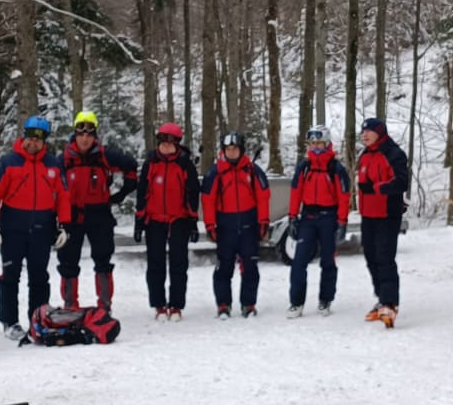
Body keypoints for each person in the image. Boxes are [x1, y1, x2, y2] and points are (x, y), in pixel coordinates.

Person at [0, 115, 69, 342]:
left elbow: (63, 195)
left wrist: (64, 225)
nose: (33, 143)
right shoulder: (10, 162)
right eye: (30, 138)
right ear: (24, 137)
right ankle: (9, 321)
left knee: (39, 276)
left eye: (39, 140)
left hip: (42, 226)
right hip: (13, 225)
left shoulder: (52, 164)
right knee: (10, 275)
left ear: (45, 142)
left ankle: (38, 318)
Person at [57, 110, 139, 313]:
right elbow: (49, 185)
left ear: (95, 135)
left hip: (99, 214)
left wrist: (121, 193)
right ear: (75, 134)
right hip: (72, 216)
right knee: (68, 262)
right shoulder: (64, 158)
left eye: (89, 134)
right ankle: (70, 305)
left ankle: (104, 306)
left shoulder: (104, 155)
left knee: (103, 260)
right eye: (81, 133)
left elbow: (131, 166)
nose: (85, 138)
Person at [135, 122, 200, 321]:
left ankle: (176, 305)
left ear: (177, 144)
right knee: (155, 264)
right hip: (154, 221)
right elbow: (142, 193)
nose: (165, 147)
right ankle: (159, 305)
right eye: (162, 143)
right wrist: (139, 221)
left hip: (178, 220)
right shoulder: (151, 163)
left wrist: (193, 221)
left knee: (178, 264)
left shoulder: (184, 164)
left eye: (170, 143)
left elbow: (192, 193)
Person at [202, 131, 271, 319]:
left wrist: (263, 221)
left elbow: (263, 197)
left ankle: (248, 304)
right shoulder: (215, 171)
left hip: (249, 224)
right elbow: (207, 200)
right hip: (225, 225)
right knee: (224, 266)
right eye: (228, 149)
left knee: (250, 266)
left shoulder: (252, 170)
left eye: (235, 149)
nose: (231, 153)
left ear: (241, 150)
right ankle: (223, 304)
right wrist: (210, 225)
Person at [287, 125, 350, 318]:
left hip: (328, 218)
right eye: (312, 143)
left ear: (327, 144)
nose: (316, 147)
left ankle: (325, 299)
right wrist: (292, 216)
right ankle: (296, 302)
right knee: (299, 262)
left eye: (319, 143)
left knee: (327, 261)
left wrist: (342, 221)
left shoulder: (336, 168)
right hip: (308, 217)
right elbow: (296, 191)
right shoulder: (304, 167)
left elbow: (344, 195)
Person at [357, 117, 410, 327]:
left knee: (384, 257)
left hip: (387, 214)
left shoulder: (393, 153)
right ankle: (381, 298)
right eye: (363, 133)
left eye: (368, 132)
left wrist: (378, 188)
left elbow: (401, 181)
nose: (365, 135)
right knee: (370, 256)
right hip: (368, 214)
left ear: (379, 132)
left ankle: (390, 303)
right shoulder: (364, 155)